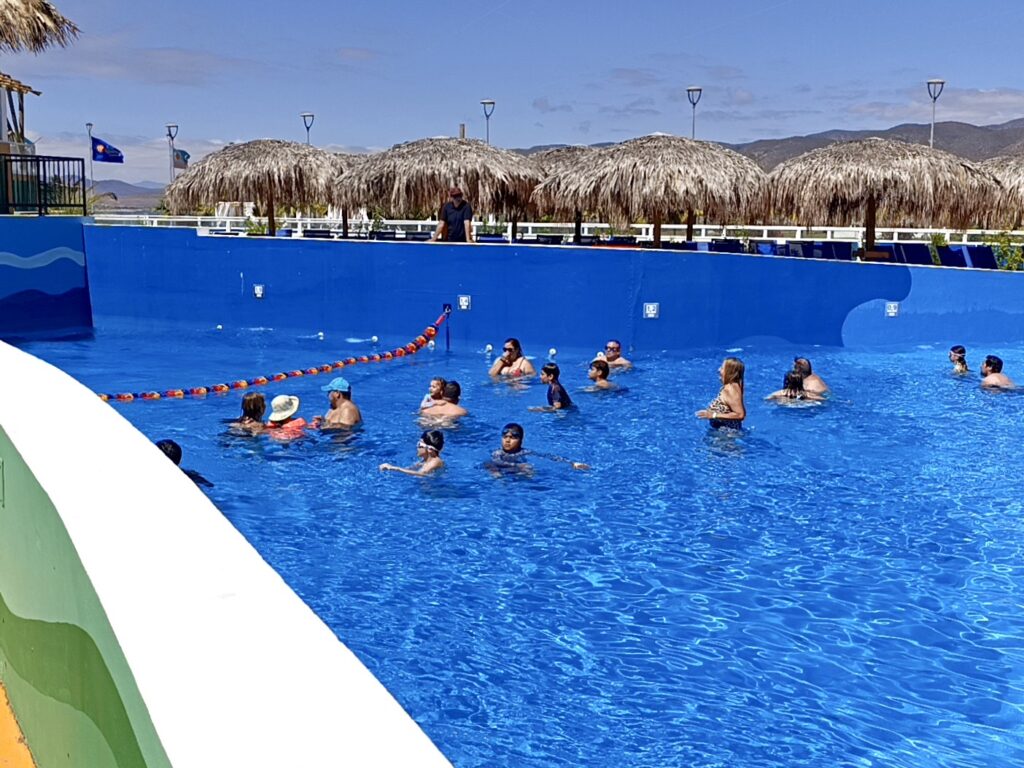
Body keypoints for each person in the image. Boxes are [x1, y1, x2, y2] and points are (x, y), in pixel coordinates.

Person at [486, 423, 589, 474]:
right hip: (498, 469)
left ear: (521, 440)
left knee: (530, 472)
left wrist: (571, 463)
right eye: (505, 437)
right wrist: (518, 466)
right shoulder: (498, 452)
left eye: (512, 438)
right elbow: (498, 462)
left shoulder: (524, 452)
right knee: (493, 468)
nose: (507, 441)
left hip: (514, 470)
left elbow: (548, 456)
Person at [696, 357, 746, 429]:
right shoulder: (730, 386)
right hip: (722, 431)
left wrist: (713, 415)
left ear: (729, 372)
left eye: (722, 368)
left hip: (726, 434)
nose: (719, 370)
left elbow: (740, 414)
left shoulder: (730, 390)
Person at [380, 430, 445, 476]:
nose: (417, 447)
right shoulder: (425, 460)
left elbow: (421, 474)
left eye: (420, 445)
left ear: (430, 450)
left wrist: (395, 468)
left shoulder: (435, 461)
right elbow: (410, 470)